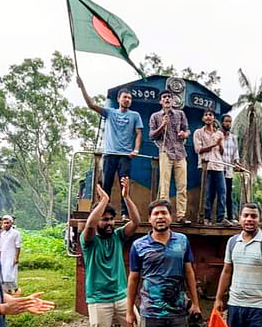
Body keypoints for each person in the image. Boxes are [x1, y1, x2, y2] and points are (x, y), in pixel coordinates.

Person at [81, 180, 142, 327]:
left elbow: (136, 221)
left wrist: (126, 197)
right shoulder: (89, 241)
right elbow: (89, 226)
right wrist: (104, 200)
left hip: (121, 296)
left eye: (111, 219)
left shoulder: (117, 237)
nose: (108, 223)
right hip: (99, 299)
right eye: (104, 220)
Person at [214, 203, 262, 327]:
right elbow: (227, 271)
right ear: (240, 218)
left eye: (253, 216)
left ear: (260, 219)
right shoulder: (232, 242)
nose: (249, 219)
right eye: (246, 216)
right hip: (235, 305)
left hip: (260, 307)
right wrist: (219, 298)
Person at [77, 77, 143, 220]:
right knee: (106, 184)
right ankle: (102, 211)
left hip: (125, 156)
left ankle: (125, 213)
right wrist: (82, 87)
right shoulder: (110, 112)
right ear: (119, 99)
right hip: (109, 154)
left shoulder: (135, 115)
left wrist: (136, 150)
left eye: (129, 98)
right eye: (125, 97)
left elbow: (139, 133)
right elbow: (91, 105)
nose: (127, 100)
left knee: (124, 184)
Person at [149, 91, 190, 224]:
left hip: (180, 152)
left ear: (172, 101)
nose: (167, 99)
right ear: (160, 101)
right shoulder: (155, 116)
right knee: (164, 186)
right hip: (165, 151)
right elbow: (152, 135)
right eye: (164, 98)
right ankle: (164, 215)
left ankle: (181, 216)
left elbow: (187, 130)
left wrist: (185, 134)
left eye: (169, 97)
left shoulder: (180, 114)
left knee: (182, 186)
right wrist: (163, 125)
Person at [193, 110, 230, 226]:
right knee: (208, 193)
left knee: (222, 192)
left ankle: (221, 218)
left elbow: (222, 152)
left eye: (210, 115)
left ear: (214, 118)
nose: (208, 117)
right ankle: (206, 218)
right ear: (203, 118)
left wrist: (219, 144)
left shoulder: (219, 134)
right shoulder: (198, 132)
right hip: (206, 166)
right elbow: (198, 150)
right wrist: (214, 144)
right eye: (206, 115)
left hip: (219, 165)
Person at [220, 114, 239, 224]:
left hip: (229, 169)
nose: (228, 123)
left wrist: (237, 163)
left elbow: (236, 152)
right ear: (222, 122)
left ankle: (231, 216)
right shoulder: (218, 136)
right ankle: (220, 216)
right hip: (218, 167)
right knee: (220, 193)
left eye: (230, 121)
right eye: (226, 121)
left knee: (228, 194)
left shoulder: (233, 138)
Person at [0, 215, 21, 294]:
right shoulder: (2, 234)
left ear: (11, 223)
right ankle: (7, 292)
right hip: (3, 257)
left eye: (8, 223)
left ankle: (16, 290)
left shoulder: (16, 233)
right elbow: (1, 247)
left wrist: (16, 257)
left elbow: (18, 246)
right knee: (3, 275)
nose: (6, 225)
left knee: (10, 276)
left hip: (11, 257)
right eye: (4, 223)